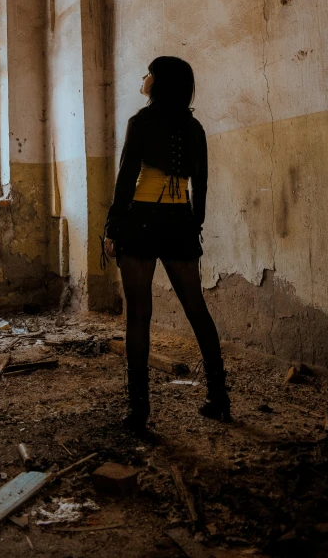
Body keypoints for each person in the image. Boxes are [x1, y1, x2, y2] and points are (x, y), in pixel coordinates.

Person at [103, 56, 230, 432]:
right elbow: (201, 184)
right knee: (197, 309)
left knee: (139, 315)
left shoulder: (140, 123)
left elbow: (126, 180)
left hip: (140, 221)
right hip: (178, 221)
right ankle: (219, 397)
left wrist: (112, 228)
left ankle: (138, 409)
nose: (144, 77)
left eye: (148, 72)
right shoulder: (194, 128)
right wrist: (193, 223)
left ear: (159, 81)